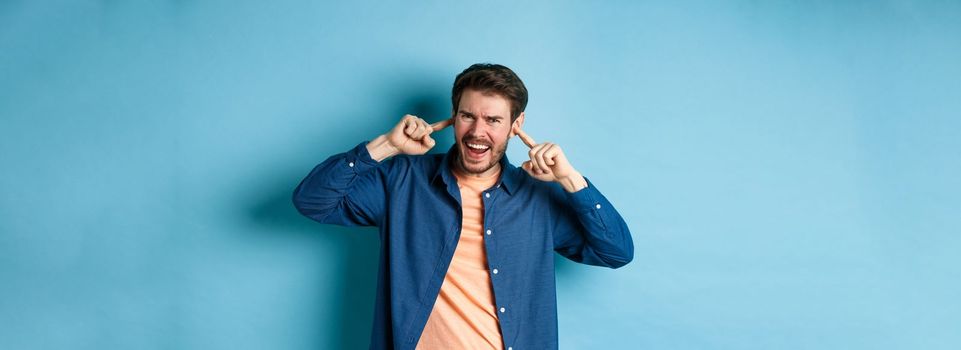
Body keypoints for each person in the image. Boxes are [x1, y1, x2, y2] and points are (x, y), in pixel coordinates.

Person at [292, 63, 633, 350]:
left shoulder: (538, 197)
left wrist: (571, 179)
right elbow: (312, 201)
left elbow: (616, 252)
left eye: (494, 120)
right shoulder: (402, 180)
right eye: (467, 116)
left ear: (517, 125)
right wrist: (385, 146)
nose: (477, 132)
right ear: (453, 117)